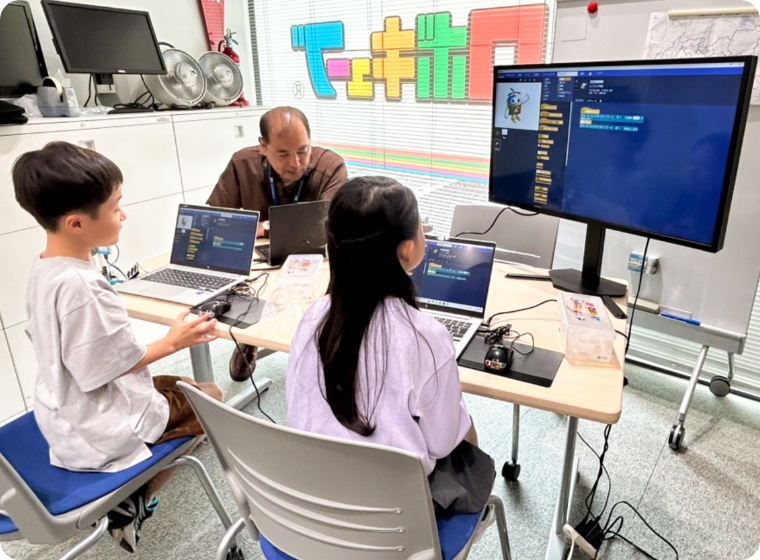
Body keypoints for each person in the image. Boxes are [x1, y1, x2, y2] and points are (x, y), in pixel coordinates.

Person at [12, 141, 224, 553]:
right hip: (102, 429)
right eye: (115, 207)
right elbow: (113, 366)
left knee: (182, 384)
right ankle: (135, 498)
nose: (123, 215)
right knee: (212, 397)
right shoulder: (83, 287)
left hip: (63, 413)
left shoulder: (45, 269)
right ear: (76, 223)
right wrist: (173, 340)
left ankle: (134, 492)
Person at [286, 176, 495, 516]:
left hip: (310, 508)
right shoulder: (424, 336)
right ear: (408, 249)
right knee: (465, 433)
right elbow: (443, 443)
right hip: (394, 522)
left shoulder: (314, 317)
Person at [207, 106, 348, 382]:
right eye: (283, 154)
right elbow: (216, 220)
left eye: (303, 151)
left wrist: (262, 227)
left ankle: (324, 350)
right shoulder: (243, 164)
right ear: (263, 146)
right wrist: (251, 231)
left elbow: (331, 224)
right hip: (260, 259)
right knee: (245, 287)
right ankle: (248, 337)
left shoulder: (331, 166)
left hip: (316, 257)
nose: (295, 162)